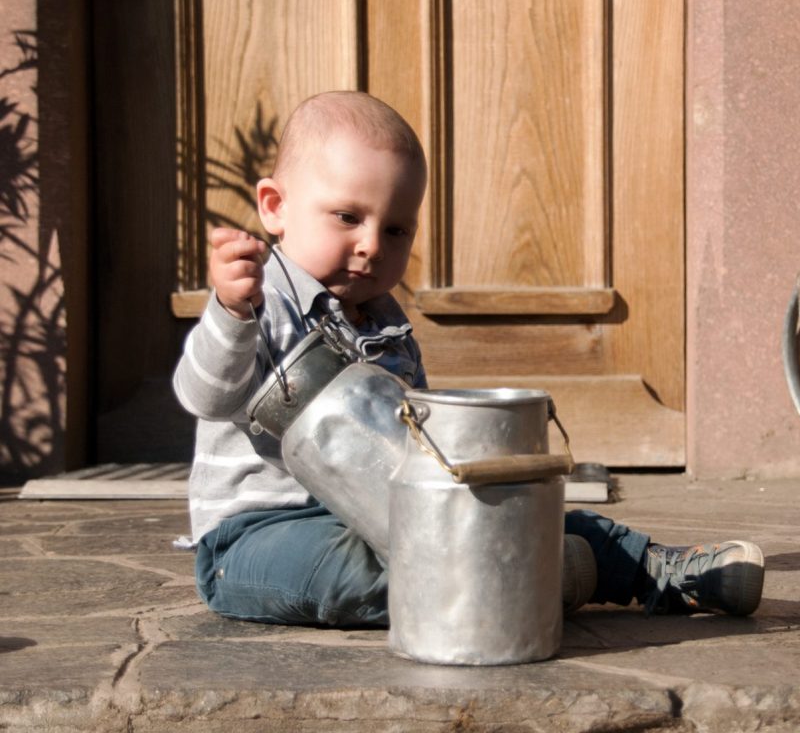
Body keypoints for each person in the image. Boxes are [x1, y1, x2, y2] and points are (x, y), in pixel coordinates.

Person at [173, 90, 765, 627]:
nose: (372, 245)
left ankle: (657, 570)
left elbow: (413, 440)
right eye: (348, 217)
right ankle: (516, 583)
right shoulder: (259, 302)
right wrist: (230, 313)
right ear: (275, 206)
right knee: (351, 574)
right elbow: (208, 396)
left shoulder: (386, 322)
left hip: (383, 514)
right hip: (261, 538)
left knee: (521, 513)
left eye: (397, 230)